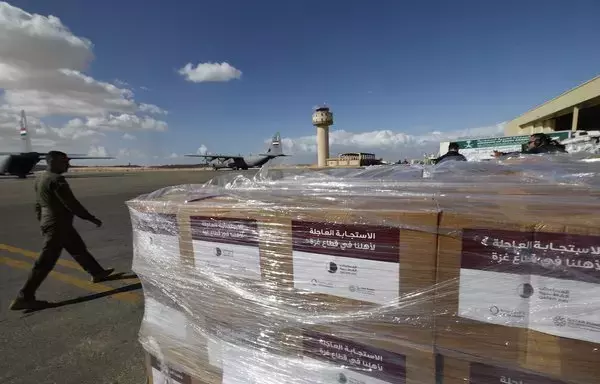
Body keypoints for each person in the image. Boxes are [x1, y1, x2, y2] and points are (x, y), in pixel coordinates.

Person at [9, 151, 114, 310]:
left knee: (78, 248)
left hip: (53, 222)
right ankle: (25, 296)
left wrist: (42, 222)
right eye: (64, 161)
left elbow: (38, 204)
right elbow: (71, 204)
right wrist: (90, 218)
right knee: (45, 261)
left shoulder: (40, 177)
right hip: (58, 224)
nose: (68, 165)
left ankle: (97, 272)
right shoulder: (57, 180)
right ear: (53, 162)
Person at [494, 133, 567, 157]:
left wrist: (503, 154)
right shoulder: (555, 147)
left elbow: (520, 154)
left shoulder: (540, 149)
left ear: (537, 142)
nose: (528, 144)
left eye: (529, 142)